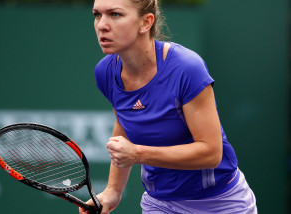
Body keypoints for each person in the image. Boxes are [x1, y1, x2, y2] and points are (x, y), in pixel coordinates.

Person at [80, 0, 257, 213]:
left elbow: (211, 153)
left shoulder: (186, 68)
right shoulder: (105, 72)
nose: (102, 25)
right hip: (159, 203)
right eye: (97, 15)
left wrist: (137, 153)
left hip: (219, 203)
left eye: (115, 14)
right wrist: (112, 191)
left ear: (146, 22)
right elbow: (125, 123)